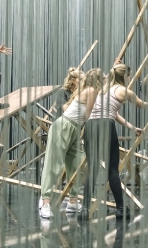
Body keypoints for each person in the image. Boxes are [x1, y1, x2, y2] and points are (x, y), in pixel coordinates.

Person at [80, 64, 148, 220]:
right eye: (130, 76)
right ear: (126, 76)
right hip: (106, 126)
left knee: (92, 169)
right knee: (112, 169)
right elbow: (143, 105)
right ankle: (121, 208)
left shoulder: (103, 90)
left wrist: (132, 127)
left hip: (91, 126)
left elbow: (114, 113)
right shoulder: (123, 90)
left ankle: (84, 209)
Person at [39, 68, 102, 219]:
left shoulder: (89, 91)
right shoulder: (91, 90)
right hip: (64, 126)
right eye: (103, 78)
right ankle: (45, 202)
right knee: (54, 165)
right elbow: (89, 115)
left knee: (78, 165)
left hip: (75, 129)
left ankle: (73, 201)